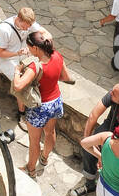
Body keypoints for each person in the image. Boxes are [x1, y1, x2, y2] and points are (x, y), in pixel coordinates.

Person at [15, 31, 75, 177]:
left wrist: (17, 71)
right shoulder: (57, 55)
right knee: (50, 132)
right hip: (55, 102)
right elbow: (66, 77)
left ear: (35, 48)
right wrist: (51, 79)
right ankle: (44, 158)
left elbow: (18, 86)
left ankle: (31, 169)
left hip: (40, 107)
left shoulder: (35, 67)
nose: (29, 50)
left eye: (29, 48)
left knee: (34, 141)